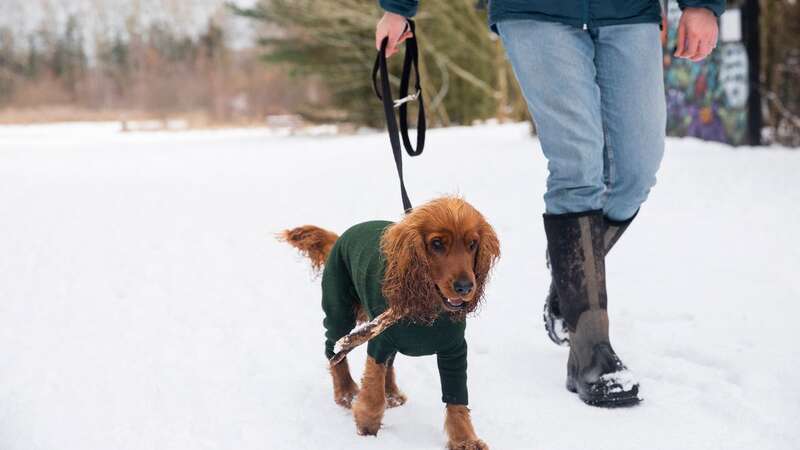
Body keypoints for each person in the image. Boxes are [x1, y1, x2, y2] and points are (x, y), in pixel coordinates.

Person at [375, 0, 722, 407]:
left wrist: (702, 4)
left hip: (630, 12)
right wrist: (398, 7)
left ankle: (572, 279)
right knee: (577, 165)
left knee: (636, 173)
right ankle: (591, 353)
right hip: (536, 11)